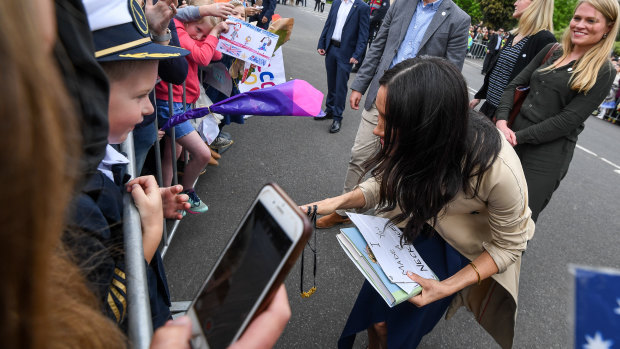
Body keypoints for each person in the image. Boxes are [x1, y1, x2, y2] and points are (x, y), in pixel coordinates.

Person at [303, 57, 534, 349]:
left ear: (427, 124)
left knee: (393, 328)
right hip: (417, 222)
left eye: (388, 120)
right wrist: (336, 202)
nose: (377, 130)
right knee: (376, 317)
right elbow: (387, 180)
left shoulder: (500, 171)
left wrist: (445, 288)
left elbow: (509, 245)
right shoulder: (424, 137)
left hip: (460, 248)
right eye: (380, 116)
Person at [316, 0, 470, 228]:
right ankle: (344, 210)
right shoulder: (401, 5)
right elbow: (379, 46)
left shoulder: (458, 19)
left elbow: (450, 71)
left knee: (397, 168)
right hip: (381, 97)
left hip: (414, 111)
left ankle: (382, 223)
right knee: (359, 156)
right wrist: (360, 84)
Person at [494, 0, 619, 222]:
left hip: (544, 156)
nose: (580, 25)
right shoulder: (552, 50)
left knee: (515, 223)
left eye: (591, 20)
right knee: (485, 206)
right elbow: (514, 85)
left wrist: (516, 137)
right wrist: (502, 122)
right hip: (510, 136)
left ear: (608, 27)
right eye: (577, 18)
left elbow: (567, 120)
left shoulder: (604, 70)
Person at [155, 0, 229, 214]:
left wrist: (212, 33)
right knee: (202, 154)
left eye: (203, 35)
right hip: (169, 104)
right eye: (197, 30)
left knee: (172, 154)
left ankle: (167, 196)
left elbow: (216, 54)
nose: (199, 37)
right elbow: (204, 57)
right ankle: (187, 192)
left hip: (181, 103)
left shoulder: (192, 34)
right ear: (188, 21)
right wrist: (213, 31)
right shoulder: (177, 28)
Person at [470, 0, 556, 119]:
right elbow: (499, 70)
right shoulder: (515, 34)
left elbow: (539, 87)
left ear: (536, 4)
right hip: (488, 107)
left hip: (506, 118)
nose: (515, 3)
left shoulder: (544, 39)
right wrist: (479, 95)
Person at [315, 0, 370, 133]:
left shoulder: (362, 7)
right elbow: (328, 24)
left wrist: (357, 54)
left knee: (340, 86)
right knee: (331, 82)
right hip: (331, 49)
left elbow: (364, 34)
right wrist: (321, 43)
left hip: (346, 53)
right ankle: (329, 110)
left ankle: (337, 117)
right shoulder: (336, 3)